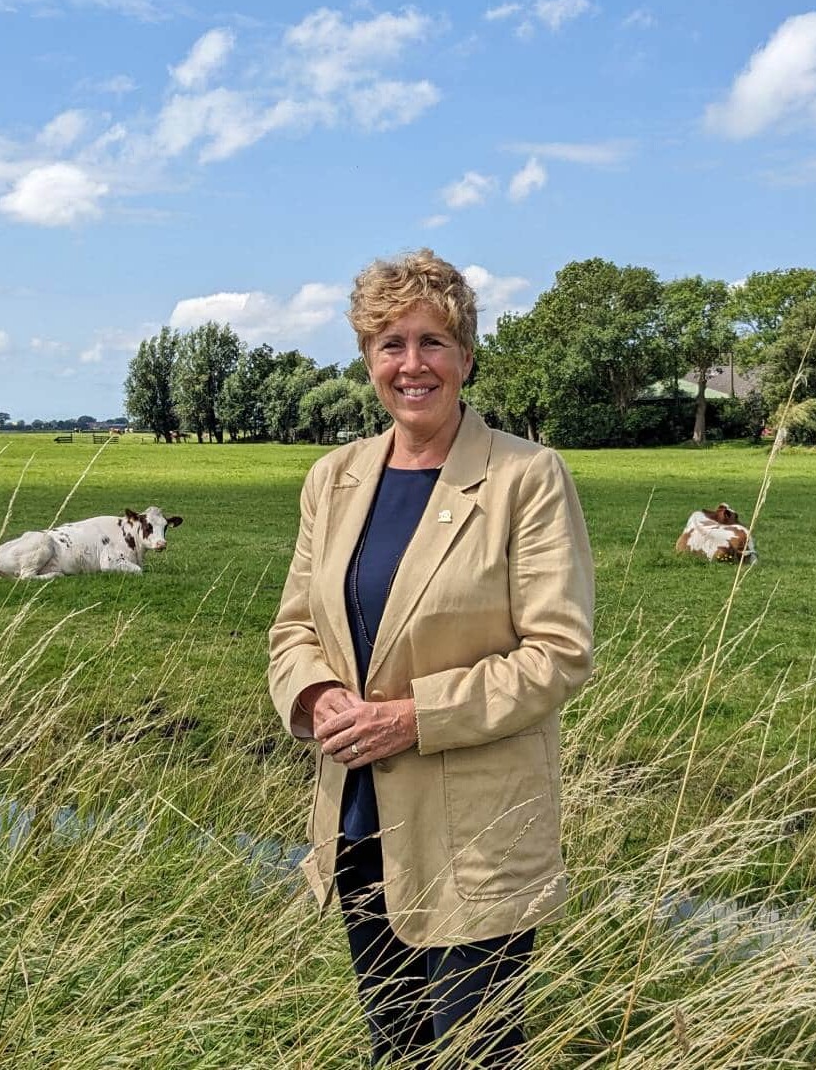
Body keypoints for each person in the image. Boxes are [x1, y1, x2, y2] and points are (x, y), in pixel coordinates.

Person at [268, 249, 595, 1067]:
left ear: (466, 357)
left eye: (432, 342)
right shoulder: (332, 478)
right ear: (367, 359)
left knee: (478, 1053)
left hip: (478, 835)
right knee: (394, 1048)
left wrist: (414, 718)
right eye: (390, 344)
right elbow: (294, 629)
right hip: (358, 824)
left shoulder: (528, 477)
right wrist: (316, 699)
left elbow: (558, 653)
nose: (411, 364)